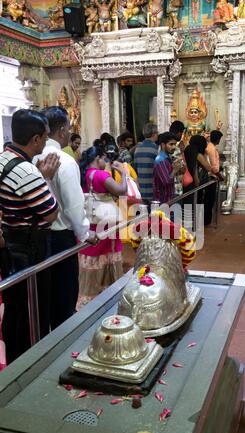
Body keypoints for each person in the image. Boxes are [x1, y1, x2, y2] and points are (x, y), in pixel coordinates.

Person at [0, 109, 59, 363]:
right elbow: (51, 213)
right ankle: (29, 359)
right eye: (45, 138)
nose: (46, 143)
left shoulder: (3, 159)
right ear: (35, 139)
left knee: (15, 306)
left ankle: (16, 355)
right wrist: (45, 178)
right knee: (31, 307)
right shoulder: (27, 172)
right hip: (29, 247)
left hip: (10, 241)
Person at [35, 106, 95, 329]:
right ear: (61, 130)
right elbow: (73, 206)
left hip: (37, 237)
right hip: (61, 237)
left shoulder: (30, 158)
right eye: (69, 128)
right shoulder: (64, 160)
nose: (69, 133)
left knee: (45, 297)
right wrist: (84, 233)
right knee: (64, 295)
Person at [77, 146, 127, 308]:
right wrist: (123, 173)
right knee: (107, 261)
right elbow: (121, 190)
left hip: (89, 225)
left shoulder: (84, 174)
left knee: (92, 263)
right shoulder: (100, 175)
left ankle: (88, 301)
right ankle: (109, 300)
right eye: (104, 159)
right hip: (106, 227)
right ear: (97, 158)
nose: (105, 163)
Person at [153, 132, 182, 204]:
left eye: (175, 144)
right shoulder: (160, 160)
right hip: (162, 201)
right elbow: (166, 181)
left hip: (168, 199)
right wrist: (175, 170)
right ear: (163, 145)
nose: (174, 147)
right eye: (171, 144)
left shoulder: (167, 158)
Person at [133, 122, 158, 204]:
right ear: (154, 134)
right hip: (152, 190)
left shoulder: (137, 148)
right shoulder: (156, 149)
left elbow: (135, 168)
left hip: (141, 190)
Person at [204, 130, 223, 226]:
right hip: (211, 177)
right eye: (220, 139)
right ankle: (206, 220)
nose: (220, 140)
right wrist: (220, 176)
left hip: (212, 177)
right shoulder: (211, 148)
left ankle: (207, 220)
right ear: (217, 139)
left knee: (209, 200)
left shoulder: (211, 147)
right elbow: (214, 167)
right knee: (209, 200)